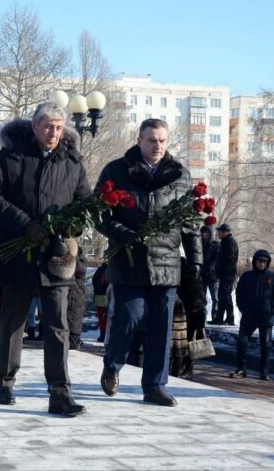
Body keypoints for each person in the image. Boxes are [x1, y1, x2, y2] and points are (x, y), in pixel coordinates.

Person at [0, 102, 90, 416]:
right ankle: (6, 379)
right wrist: (24, 224)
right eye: (47, 126)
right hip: (18, 254)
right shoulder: (11, 155)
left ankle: (59, 391)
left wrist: (71, 225)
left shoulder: (72, 161)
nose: (53, 133)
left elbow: (84, 201)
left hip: (56, 258)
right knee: (13, 323)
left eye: (58, 127)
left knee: (57, 325)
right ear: (34, 126)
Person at [96, 118, 202, 407]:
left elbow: (191, 221)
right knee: (128, 316)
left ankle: (154, 385)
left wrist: (196, 262)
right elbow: (99, 214)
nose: (157, 146)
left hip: (167, 262)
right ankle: (112, 365)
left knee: (161, 327)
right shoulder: (116, 170)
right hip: (129, 259)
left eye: (162, 141)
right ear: (140, 140)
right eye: (152, 140)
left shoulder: (179, 174)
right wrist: (121, 233)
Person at [230, 250, 274, 381]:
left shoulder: (273, 277)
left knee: (266, 344)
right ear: (255, 261)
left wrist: (273, 309)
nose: (261, 264)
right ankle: (241, 368)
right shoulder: (246, 276)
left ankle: (264, 372)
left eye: (264, 262)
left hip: (266, 316)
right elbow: (239, 293)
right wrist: (242, 307)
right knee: (242, 341)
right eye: (259, 261)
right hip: (249, 315)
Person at [214, 223, 238, 325]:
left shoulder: (230, 243)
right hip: (223, 274)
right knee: (221, 296)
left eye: (219, 231)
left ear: (225, 232)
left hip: (228, 275)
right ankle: (219, 318)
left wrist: (221, 271)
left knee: (226, 296)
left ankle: (230, 318)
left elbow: (228, 261)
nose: (218, 233)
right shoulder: (224, 242)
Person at [200, 225, 220, 324]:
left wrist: (213, 270)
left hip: (213, 276)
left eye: (206, 232)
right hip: (202, 275)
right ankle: (202, 316)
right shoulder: (199, 245)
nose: (204, 234)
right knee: (202, 297)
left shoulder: (216, 245)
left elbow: (217, 261)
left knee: (215, 298)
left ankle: (215, 316)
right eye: (203, 232)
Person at [92, 263, 109, 343]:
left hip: (101, 296)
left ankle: (103, 334)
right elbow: (95, 280)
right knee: (103, 317)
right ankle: (103, 334)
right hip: (103, 296)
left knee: (102, 317)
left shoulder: (101, 269)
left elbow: (95, 280)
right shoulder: (102, 269)